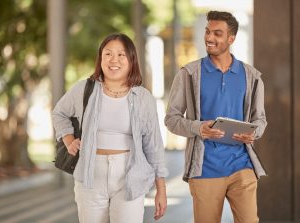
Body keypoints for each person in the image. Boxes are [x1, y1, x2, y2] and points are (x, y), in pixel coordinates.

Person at [52, 33, 167, 223]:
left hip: (130, 175)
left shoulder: (143, 98)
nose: (114, 60)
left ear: (131, 60)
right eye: (108, 54)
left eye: (121, 55)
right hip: (90, 176)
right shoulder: (84, 89)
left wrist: (161, 190)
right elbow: (59, 113)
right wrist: (69, 139)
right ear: (101, 58)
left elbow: (153, 146)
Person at [165, 11, 267, 223]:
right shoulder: (189, 74)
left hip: (242, 166)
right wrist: (198, 128)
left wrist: (254, 133)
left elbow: (260, 120)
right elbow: (171, 119)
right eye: (207, 32)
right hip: (205, 169)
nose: (209, 38)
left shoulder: (252, 76)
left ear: (231, 38)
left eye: (217, 33)